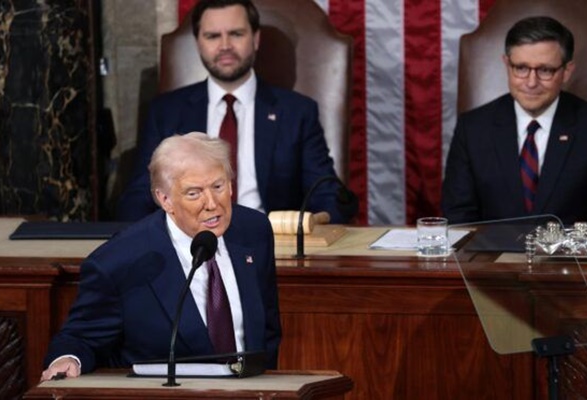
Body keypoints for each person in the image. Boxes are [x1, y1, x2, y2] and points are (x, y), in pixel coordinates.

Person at [41, 132, 281, 380]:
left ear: (231, 185)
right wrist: (68, 359)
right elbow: (79, 337)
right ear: (164, 199)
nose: (212, 203)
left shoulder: (254, 230)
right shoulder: (120, 260)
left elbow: (268, 329)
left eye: (218, 186)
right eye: (194, 193)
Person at [116, 0, 355, 224]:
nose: (225, 46)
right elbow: (141, 195)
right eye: (212, 36)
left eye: (236, 34)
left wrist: (314, 228)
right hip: (190, 246)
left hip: (272, 247)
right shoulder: (166, 111)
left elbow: (326, 194)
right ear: (198, 42)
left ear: (256, 39)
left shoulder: (297, 112)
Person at [442, 16, 587, 226]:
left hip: (568, 258)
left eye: (545, 70)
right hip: (490, 257)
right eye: (521, 68)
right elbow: (458, 220)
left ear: (566, 71)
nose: (531, 83)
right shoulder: (473, 129)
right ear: (507, 64)